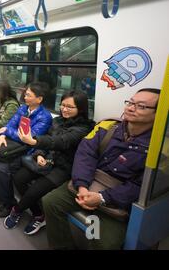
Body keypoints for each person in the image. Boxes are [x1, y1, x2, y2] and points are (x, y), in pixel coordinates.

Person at [42, 88, 160, 250]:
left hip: (118, 198)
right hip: (89, 182)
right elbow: (85, 154)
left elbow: (143, 186)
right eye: (130, 102)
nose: (131, 108)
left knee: (105, 242)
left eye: (141, 106)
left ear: (158, 114)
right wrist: (82, 186)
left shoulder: (160, 147)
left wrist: (102, 197)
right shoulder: (107, 126)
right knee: (51, 202)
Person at [2, 90, 94, 235]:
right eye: (63, 105)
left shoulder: (84, 128)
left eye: (70, 107)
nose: (64, 109)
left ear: (81, 109)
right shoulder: (57, 121)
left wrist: (34, 141)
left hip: (64, 166)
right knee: (19, 178)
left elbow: (62, 142)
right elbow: (47, 138)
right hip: (48, 158)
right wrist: (39, 154)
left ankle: (17, 210)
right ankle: (38, 214)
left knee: (34, 190)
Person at [0, 82, 53, 217]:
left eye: (28, 95)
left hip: (27, 149)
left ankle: (8, 203)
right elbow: (11, 124)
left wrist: (7, 132)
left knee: (2, 168)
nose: (25, 97)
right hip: (12, 143)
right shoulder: (23, 109)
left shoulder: (44, 117)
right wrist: (2, 136)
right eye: (25, 94)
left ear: (39, 99)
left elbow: (28, 137)